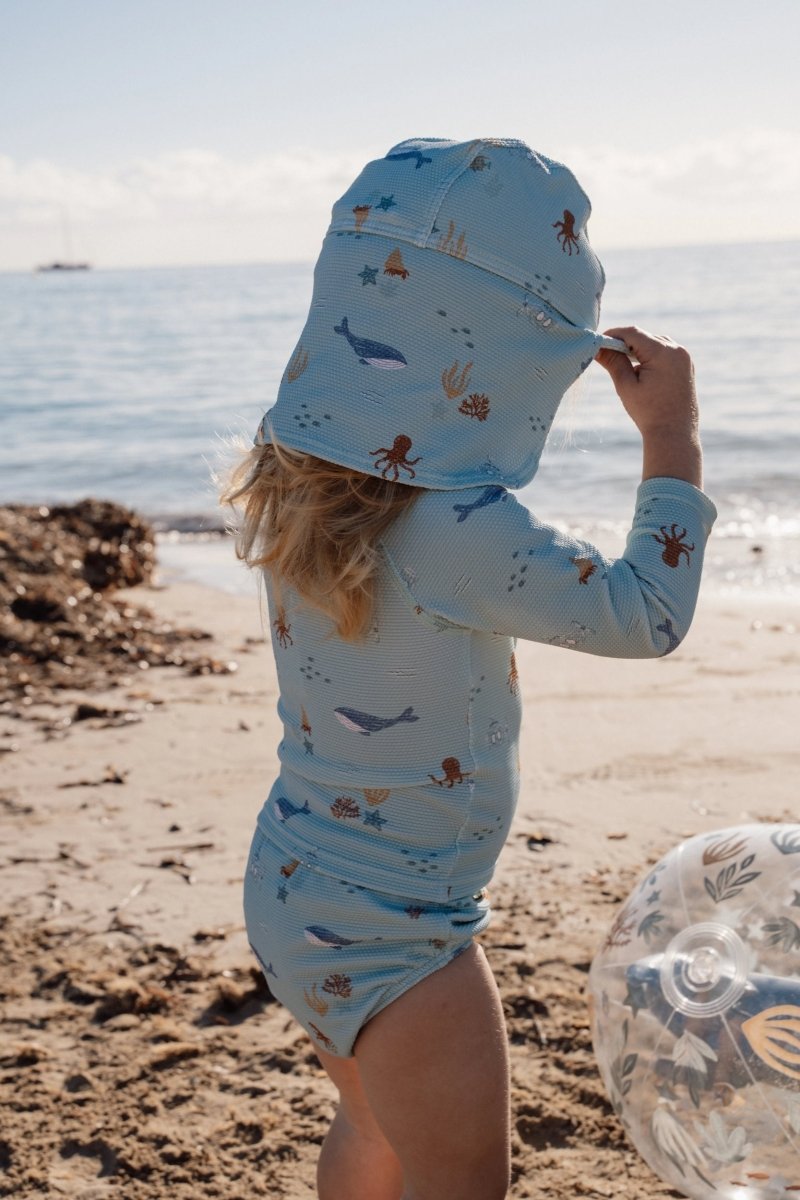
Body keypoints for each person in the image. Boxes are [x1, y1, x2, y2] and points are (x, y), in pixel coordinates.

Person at [222, 137, 716, 1200]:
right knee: (461, 1182)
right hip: (402, 930)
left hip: (294, 882)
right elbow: (644, 615)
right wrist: (670, 438)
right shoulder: (457, 531)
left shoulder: (297, 487)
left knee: (373, 1126)